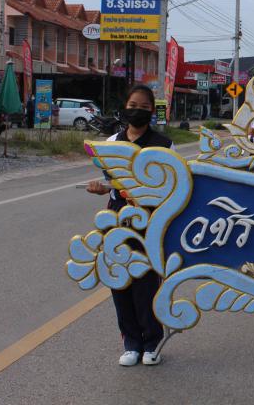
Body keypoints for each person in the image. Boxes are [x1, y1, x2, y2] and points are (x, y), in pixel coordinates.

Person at [87, 84, 173, 367]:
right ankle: (131, 343)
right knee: (119, 279)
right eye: (133, 105)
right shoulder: (111, 143)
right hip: (117, 217)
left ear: (152, 111)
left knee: (146, 283)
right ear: (125, 107)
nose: (138, 111)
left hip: (150, 220)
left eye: (144, 107)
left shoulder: (164, 145)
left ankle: (152, 343)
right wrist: (100, 188)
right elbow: (110, 183)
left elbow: (173, 186)